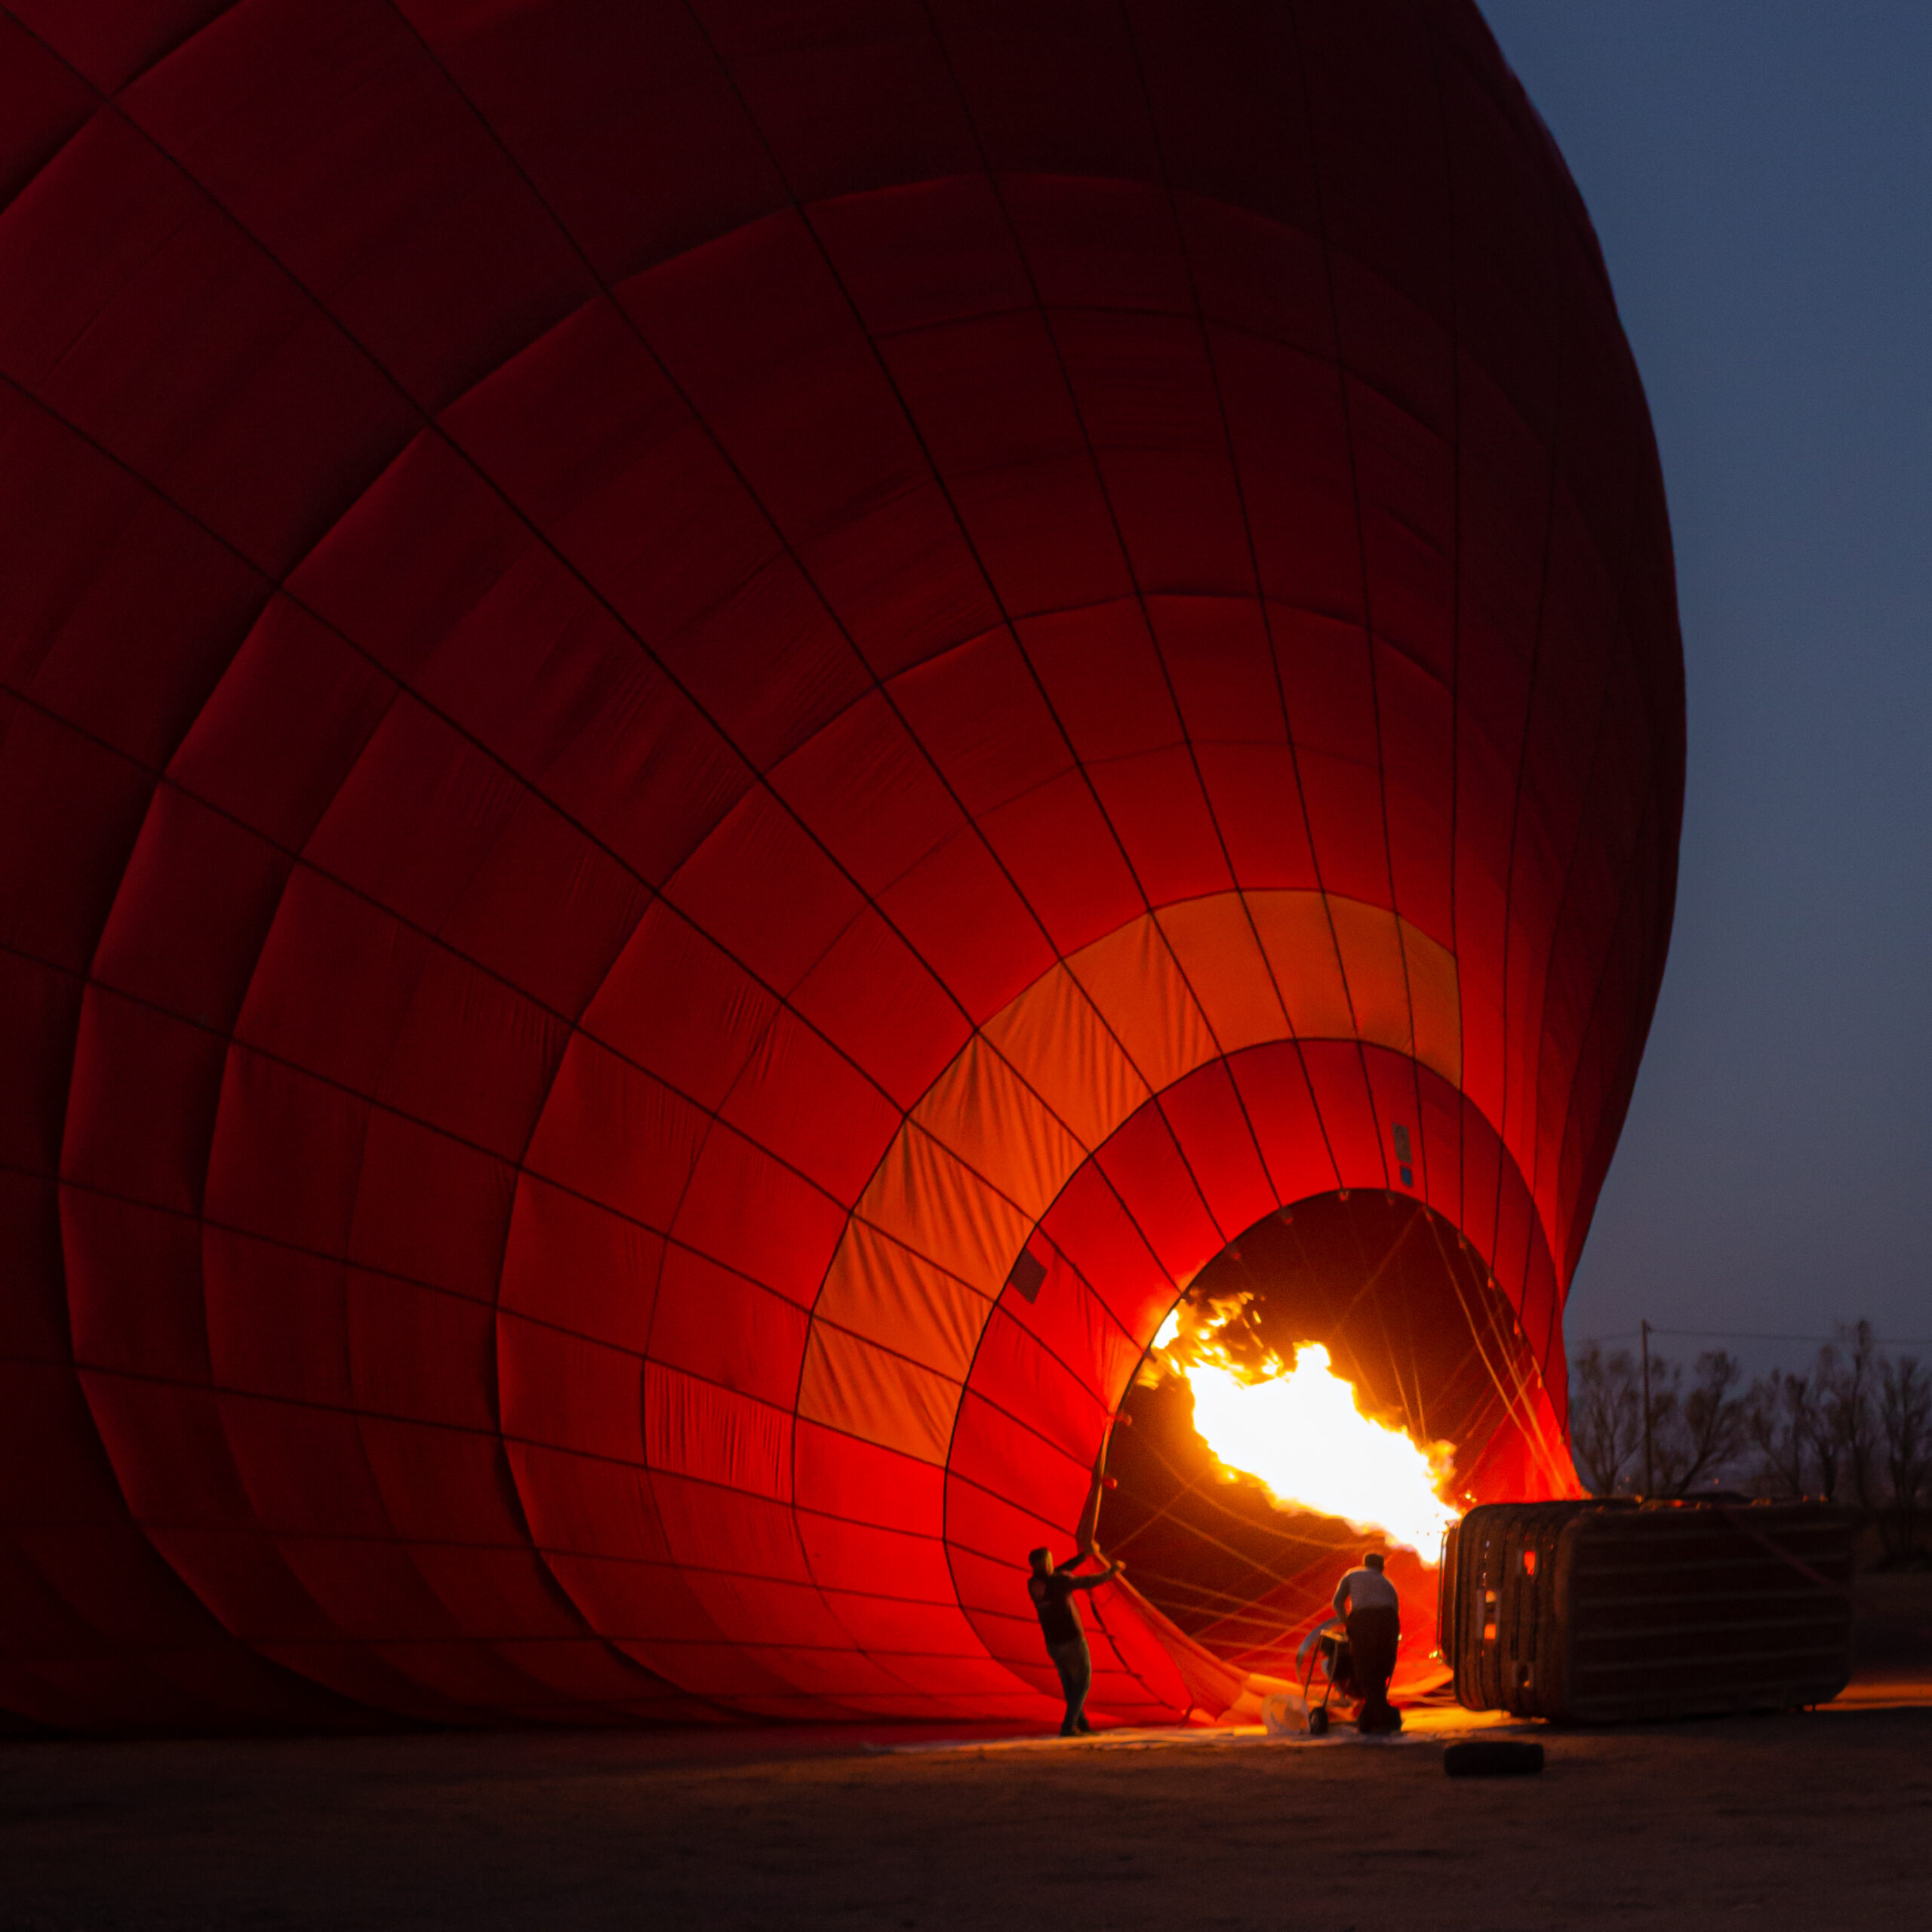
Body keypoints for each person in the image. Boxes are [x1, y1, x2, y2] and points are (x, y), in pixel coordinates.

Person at [1026, 1546, 1124, 1737]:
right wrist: (1111, 1572)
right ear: (1047, 1563)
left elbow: (1056, 1572)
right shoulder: (1060, 1580)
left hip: (1053, 1643)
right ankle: (1068, 1727)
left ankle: (1083, 1724)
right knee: (1082, 1682)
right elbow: (1088, 1581)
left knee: (1070, 1685)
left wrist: (1083, 1556)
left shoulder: (1033, 1584)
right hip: (1072, 1639)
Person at [1332, 1550, 1401, 1732]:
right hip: (1389, 1621)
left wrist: (1346, 1621)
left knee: (1366, 1669)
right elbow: (1395, 1609)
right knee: (1380, 1670)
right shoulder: (1387, 1583)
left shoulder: (1352, 1574)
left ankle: (1385, 1717)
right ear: (1381, 1566)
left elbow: (1338, 1601)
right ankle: (1369, 1719)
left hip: (1364, 1619)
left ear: (1365, 1563)